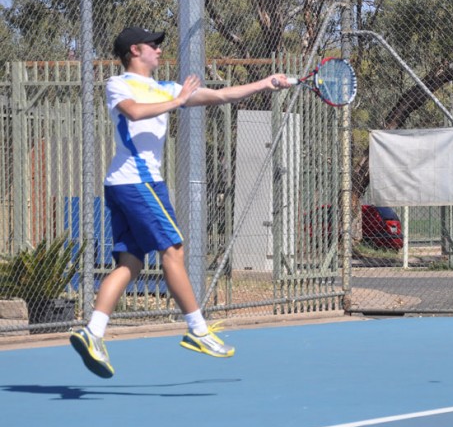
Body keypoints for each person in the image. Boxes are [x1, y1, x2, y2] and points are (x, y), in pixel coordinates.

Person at [70, 26, 292, 378]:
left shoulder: (165, 87)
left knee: (130, 263)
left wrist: (266, 83)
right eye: (153, 45)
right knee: (173, 250)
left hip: (129, 185)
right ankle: (197, 330)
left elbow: (221, 96)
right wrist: (177, 102)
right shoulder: (119, 84)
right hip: (137, 182)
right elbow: (133, 112)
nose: (159, 50)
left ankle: (93, 332)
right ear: (134, 50)